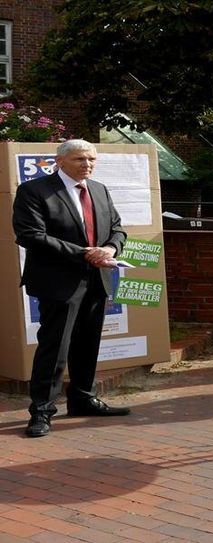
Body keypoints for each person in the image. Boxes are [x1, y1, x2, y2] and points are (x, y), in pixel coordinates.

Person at [12, 139, 131, 438]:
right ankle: (41, 411)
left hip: (97, 279)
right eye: (80, 159)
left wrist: (110, 249)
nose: (87, 165)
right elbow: (30, 235)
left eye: (91, 159)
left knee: (88, 344)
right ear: (60, 161)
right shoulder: (34, 191)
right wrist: (85, 254)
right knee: (55, 348)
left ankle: (82, 399)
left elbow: (117, 229)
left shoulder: (99, 190)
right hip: (57, 283)